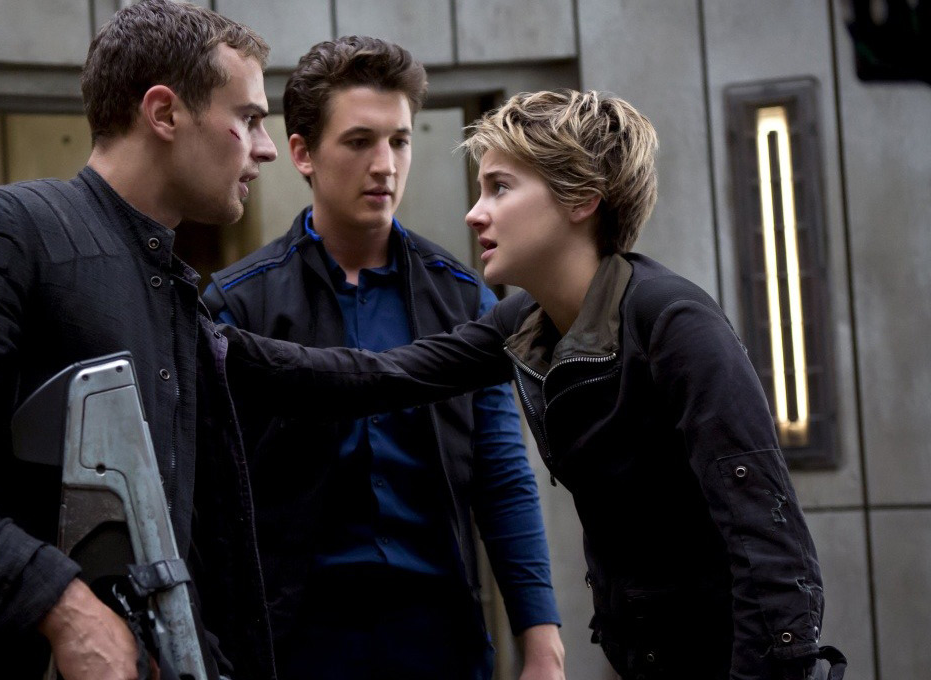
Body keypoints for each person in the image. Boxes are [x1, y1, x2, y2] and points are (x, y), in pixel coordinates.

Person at [221, 90, 845, 680]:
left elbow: (772, 547)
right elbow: (384, 376)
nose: (475, 212)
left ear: (581, 198)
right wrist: (215, 339)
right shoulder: (525, 318)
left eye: (500, 187)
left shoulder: (674, 324)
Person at [0, 2, 279, 678]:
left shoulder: (171, 292)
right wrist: (62, 607)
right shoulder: (2, 229)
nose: (266, 147)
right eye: (250, 117)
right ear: (163, 112)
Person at [202, 37, 564, 680]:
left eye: (399, 141)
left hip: (438, 638)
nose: (384, 165)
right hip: (292, 643)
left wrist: (542, 641)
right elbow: (209, 500)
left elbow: (502, 476)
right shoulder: (239, 304)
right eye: (359, 141)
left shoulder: (464, 299)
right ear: (303, 153)